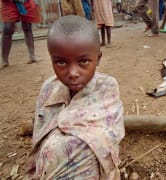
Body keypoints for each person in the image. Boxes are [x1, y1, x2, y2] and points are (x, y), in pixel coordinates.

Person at [25, 15, 125, 179]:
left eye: (84, 61)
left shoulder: (107, 88)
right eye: (61, 62)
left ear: (98, 58)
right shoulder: (49, 88)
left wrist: (57, 145)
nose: (72, 73)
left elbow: (108, 138)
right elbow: (39, 133)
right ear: (51, 59)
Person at [0, 0, 40, 70]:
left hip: (25, 2)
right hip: (8, 3)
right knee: (8, 29)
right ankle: (4, 60)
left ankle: (32, 56)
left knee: (27, 27)